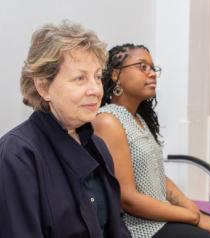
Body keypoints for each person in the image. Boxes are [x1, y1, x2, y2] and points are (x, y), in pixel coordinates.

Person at [93, 44, 210, 238]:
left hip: (161, 215)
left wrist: (192, 209)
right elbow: (128, 200)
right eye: (142, 67)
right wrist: (194, 218)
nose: (152, 74)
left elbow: (160, 178)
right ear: (116, 75)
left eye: (153, 68)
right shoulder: (108, 120)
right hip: (139, 228)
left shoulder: (138, 119)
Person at [0, 22, 131, 238]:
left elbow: (115, 227)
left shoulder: (97, 146)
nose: (96, 90)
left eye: (97, 77)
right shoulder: (16, 156)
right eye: (80, 78)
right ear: (43, 87)